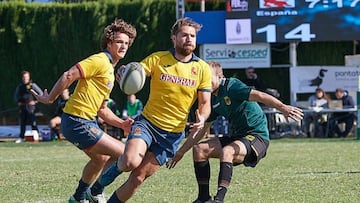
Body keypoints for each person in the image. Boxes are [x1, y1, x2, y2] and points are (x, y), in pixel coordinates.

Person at [90, 17, 212, 203]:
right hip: (147, 124)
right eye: (184, 35)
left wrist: (202, 118)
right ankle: (96, 189)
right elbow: (135, 71)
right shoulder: (158, 59)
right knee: (130, 161)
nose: (189, 39)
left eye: (193, 36)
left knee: (138, 178)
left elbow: (205, 103)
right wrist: (124, 71)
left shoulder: (202, 68)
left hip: (171, 136)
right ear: (174, 37)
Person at [166, 61, 304, 203]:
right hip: (238, 136)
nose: (204, 81)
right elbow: (201, 130)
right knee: (200, 149)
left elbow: (260, 96)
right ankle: (203, 198)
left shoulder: (232, 86)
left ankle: (219, 200)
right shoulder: (212, 99)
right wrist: (180, 152)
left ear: (219, 76)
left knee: (227, 151)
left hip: (257, 136)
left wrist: (283, 108)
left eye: (208, 77)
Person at [31, 18, 136, 203]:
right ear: (109, 43)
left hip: (83, 121)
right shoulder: (100, 60)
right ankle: (95, 191)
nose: (123, 46)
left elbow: (102, 110)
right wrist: (50, 98)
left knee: (100, 159)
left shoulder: (110, 70)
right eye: (119, 41)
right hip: (77, 120)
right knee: (124, 153)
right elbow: (68, 75)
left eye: (127, 43)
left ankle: (78, 197)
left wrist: (122, 123)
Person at [14, 70, 43, 143]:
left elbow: (41, 94)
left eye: (26, 77)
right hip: (22, 107)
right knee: (22, 122)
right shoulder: (20, 86)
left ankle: (37, 136)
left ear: (29, 77)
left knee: (33, 122)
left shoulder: (33, 85)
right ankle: (21, 137)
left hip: (31, 107)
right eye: (24, 77)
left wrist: (35, 102)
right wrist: (18, 102)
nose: (25, 79)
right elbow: (16, 96)